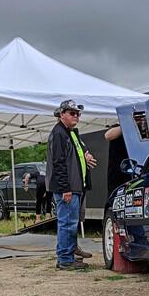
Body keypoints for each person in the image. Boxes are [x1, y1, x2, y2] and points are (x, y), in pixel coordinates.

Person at [46, 100, 97, 270]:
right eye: (72, 113)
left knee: (71, 222)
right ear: (62, 115)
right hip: (68, 188)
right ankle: (65, 260)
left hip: (77, 186)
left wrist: (85, 157)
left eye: (78, 114)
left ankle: (70, 253)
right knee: (67, 222)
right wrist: (65, 189)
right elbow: (58, 163)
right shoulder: (59, 134)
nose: (76, 116)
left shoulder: (70, 133)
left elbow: (75, 155)